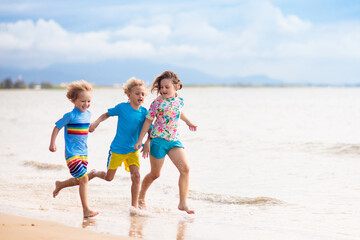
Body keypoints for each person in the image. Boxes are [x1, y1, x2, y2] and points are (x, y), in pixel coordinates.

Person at [134, 70, 197, 214]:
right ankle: (141, 197)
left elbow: (179, 112)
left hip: (174, 141)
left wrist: (188, 122)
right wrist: (141, 140)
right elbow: (148, 120)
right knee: (155, 174)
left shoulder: (179, 100)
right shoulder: (157, 103)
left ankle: (182, 203)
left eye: (166, 87)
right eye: (161, 87)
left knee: (185, 169)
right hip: (158, 141)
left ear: (176, 87)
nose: (163, 90)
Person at [89, 77, 151, 209]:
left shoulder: (144, 112)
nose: (140, 96)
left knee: (136, 176)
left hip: (133, 150)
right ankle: (94, 173)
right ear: (128, 95)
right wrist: (95, 123)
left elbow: (150, 130)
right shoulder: (122, 108)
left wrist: (147, 142)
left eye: (142, 94)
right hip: (117, 149)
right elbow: (106, 114)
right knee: (109, 177)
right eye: (137, 93)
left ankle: (134, 207)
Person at [49, 80, 99, 218]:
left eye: (89, 101)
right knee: (84, 179)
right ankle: (86, 210)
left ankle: (60, 185)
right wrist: (52, 143)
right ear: (73, 100)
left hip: (84, 153)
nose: (86, 104)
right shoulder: (70, 116)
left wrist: (91, 128)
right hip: (72, 154)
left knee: (79, 180)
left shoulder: (88, 114)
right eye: (83, 101)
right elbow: (57, 127)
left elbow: (84, 128)